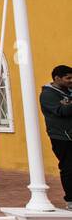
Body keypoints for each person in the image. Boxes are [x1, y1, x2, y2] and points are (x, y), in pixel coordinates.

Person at [41, 64, 72, 206]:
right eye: (68, 78)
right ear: (57, 78)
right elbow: (62, 111)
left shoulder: (68, 91)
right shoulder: (48, 95)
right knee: (68, 168)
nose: (71, 81)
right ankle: (70, 199)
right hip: (62, 137)